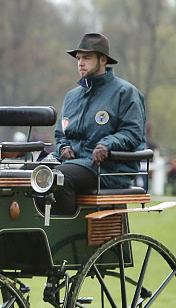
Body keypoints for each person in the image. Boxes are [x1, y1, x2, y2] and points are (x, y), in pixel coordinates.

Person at [52, 33, 146, 214]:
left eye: (86, 58)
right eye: (78, 58)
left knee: (57, 177)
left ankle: (61, 234)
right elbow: (61, 132)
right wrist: (63, 147)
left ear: (103, 60)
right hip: (75, 164)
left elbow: (132, 133)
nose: (80, 63)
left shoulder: (126, 93)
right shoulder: (72, 97)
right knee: (28, 174)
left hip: (109, 168)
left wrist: (106, 145)